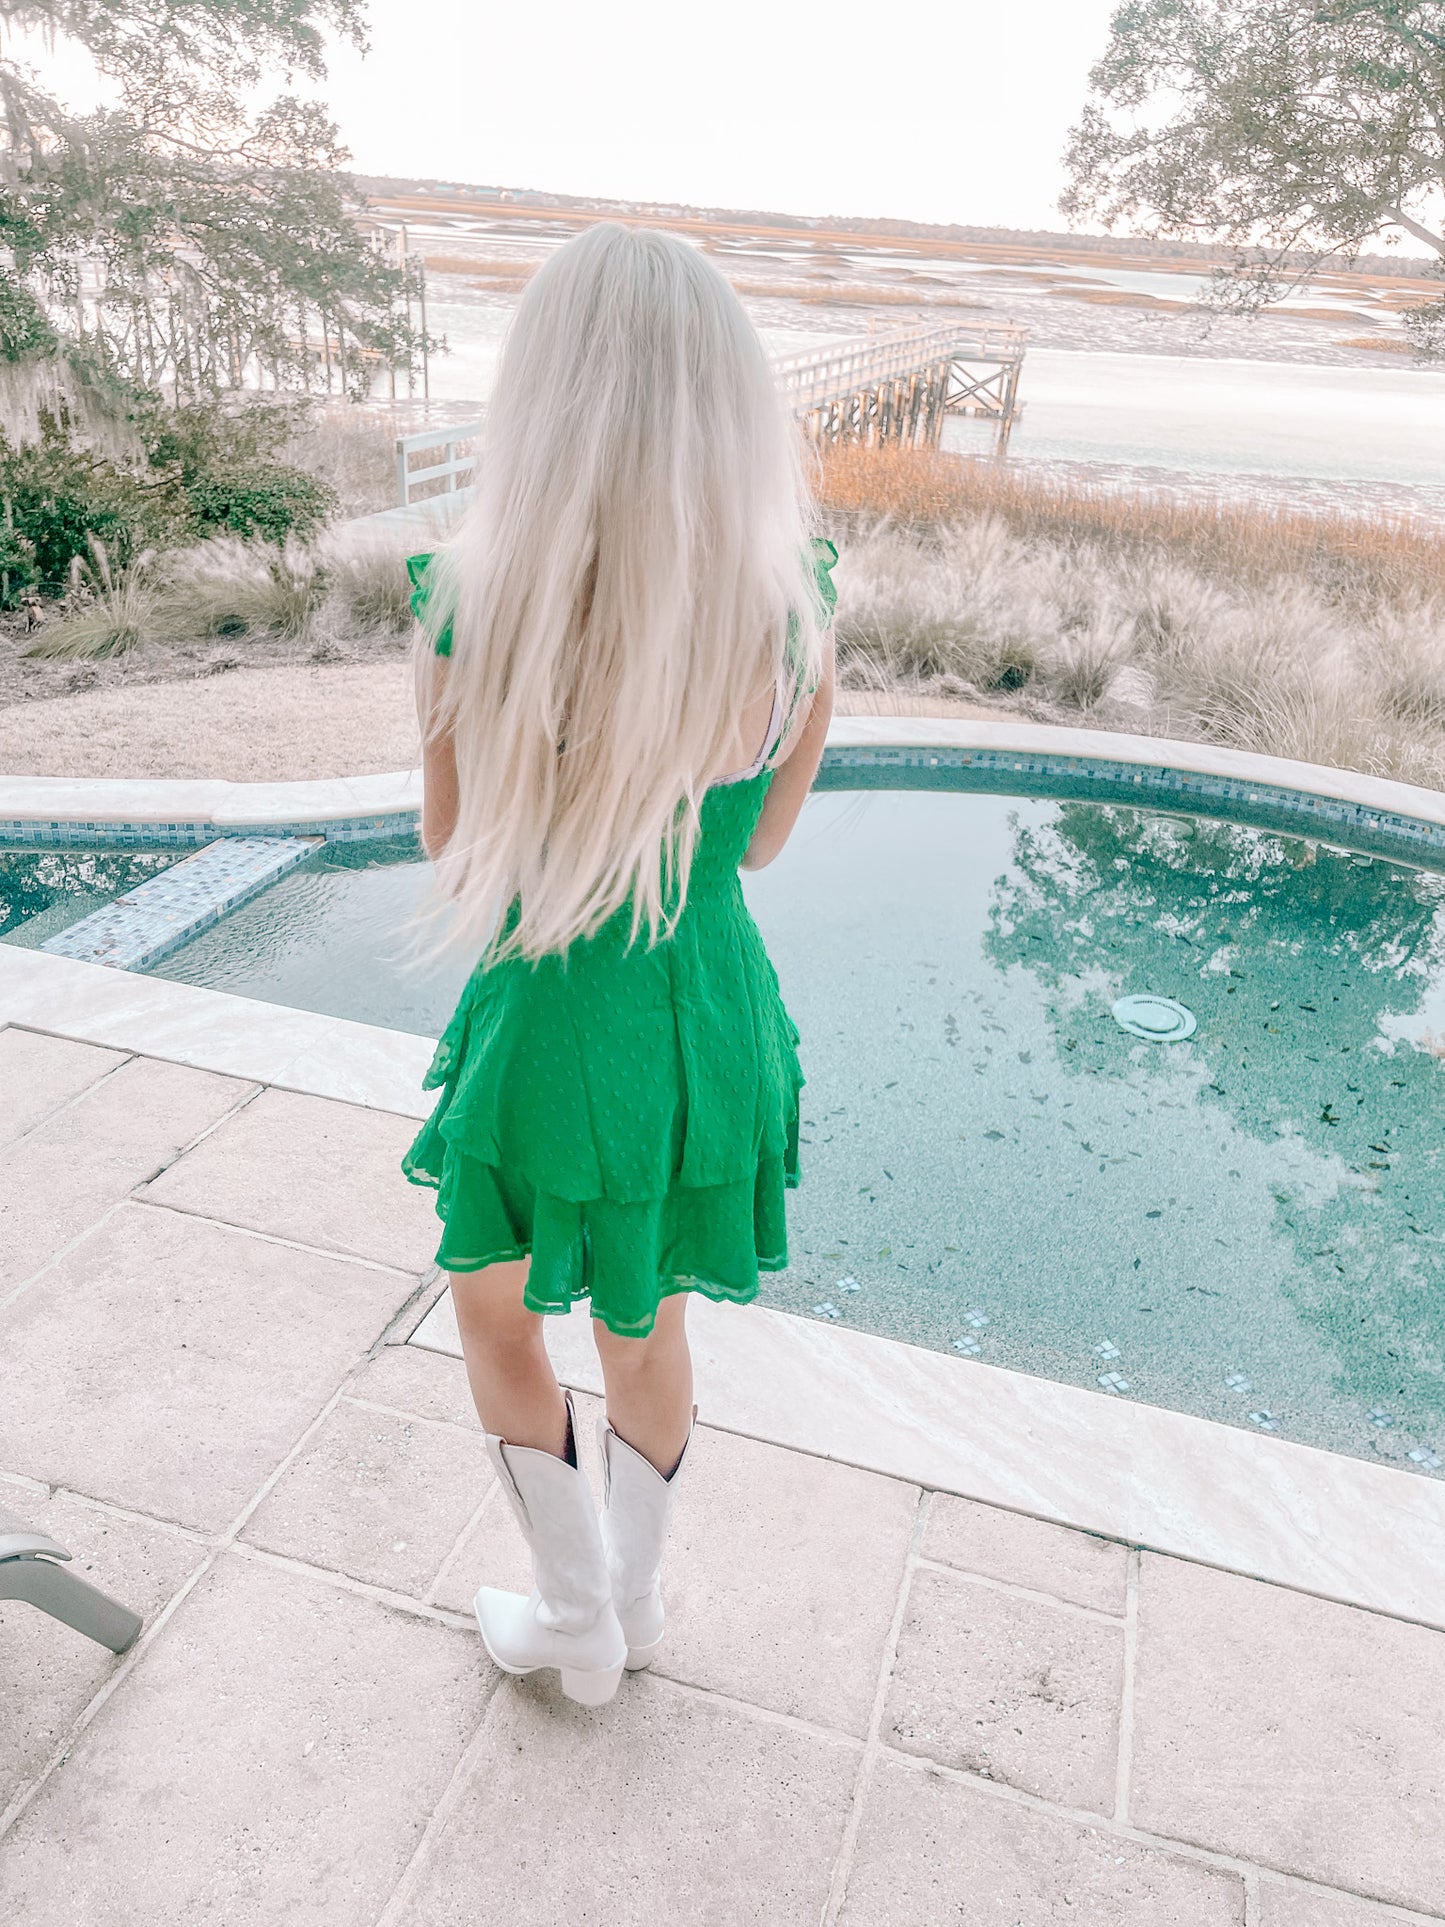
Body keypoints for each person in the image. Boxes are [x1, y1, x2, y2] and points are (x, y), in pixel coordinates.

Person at [402, 222, 837, 1707]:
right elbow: (762, 847)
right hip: (710, 1014)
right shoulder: (795, 608)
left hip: (553, 1012)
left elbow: (456, 844)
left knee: (493, 1311)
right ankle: (631, 1612)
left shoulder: (475, 597)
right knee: (645, 1321)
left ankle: (573, 1614)